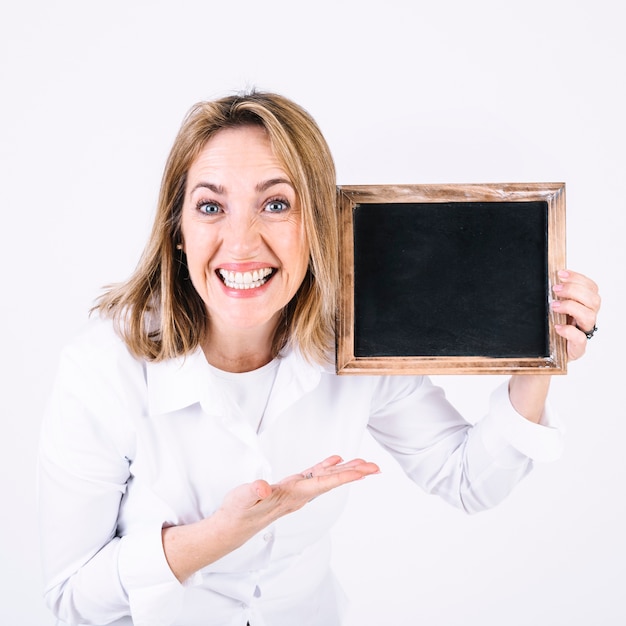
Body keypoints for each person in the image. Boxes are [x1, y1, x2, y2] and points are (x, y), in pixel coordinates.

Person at [38, 91, 601, 626]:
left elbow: (466, 482)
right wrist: (220, 533)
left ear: (318, 227)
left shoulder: (353, 346)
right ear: (178, 231)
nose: (240, 243)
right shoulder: (103, 371)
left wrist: (536, 361)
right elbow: (70, 599)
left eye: (276, 204)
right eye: (211, 206)